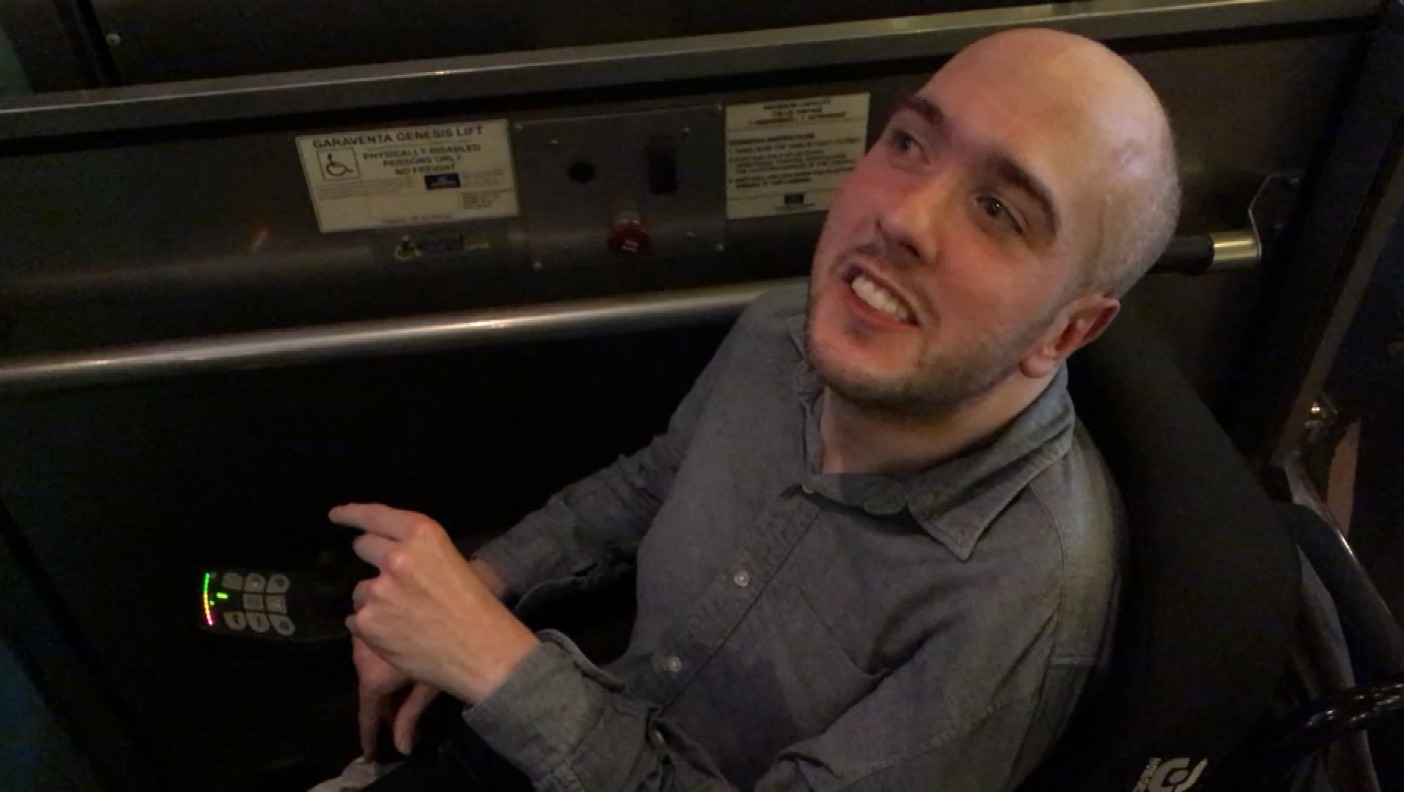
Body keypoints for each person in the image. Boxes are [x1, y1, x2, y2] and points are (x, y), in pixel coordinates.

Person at [321, 26, 1181, 791]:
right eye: (910, 142)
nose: (902, 216)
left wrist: (500, 667)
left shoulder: (1016, 607)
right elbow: (655, 481)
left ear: (1068, 330)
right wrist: (486, 584)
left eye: (998, 209)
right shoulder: (786, 332)